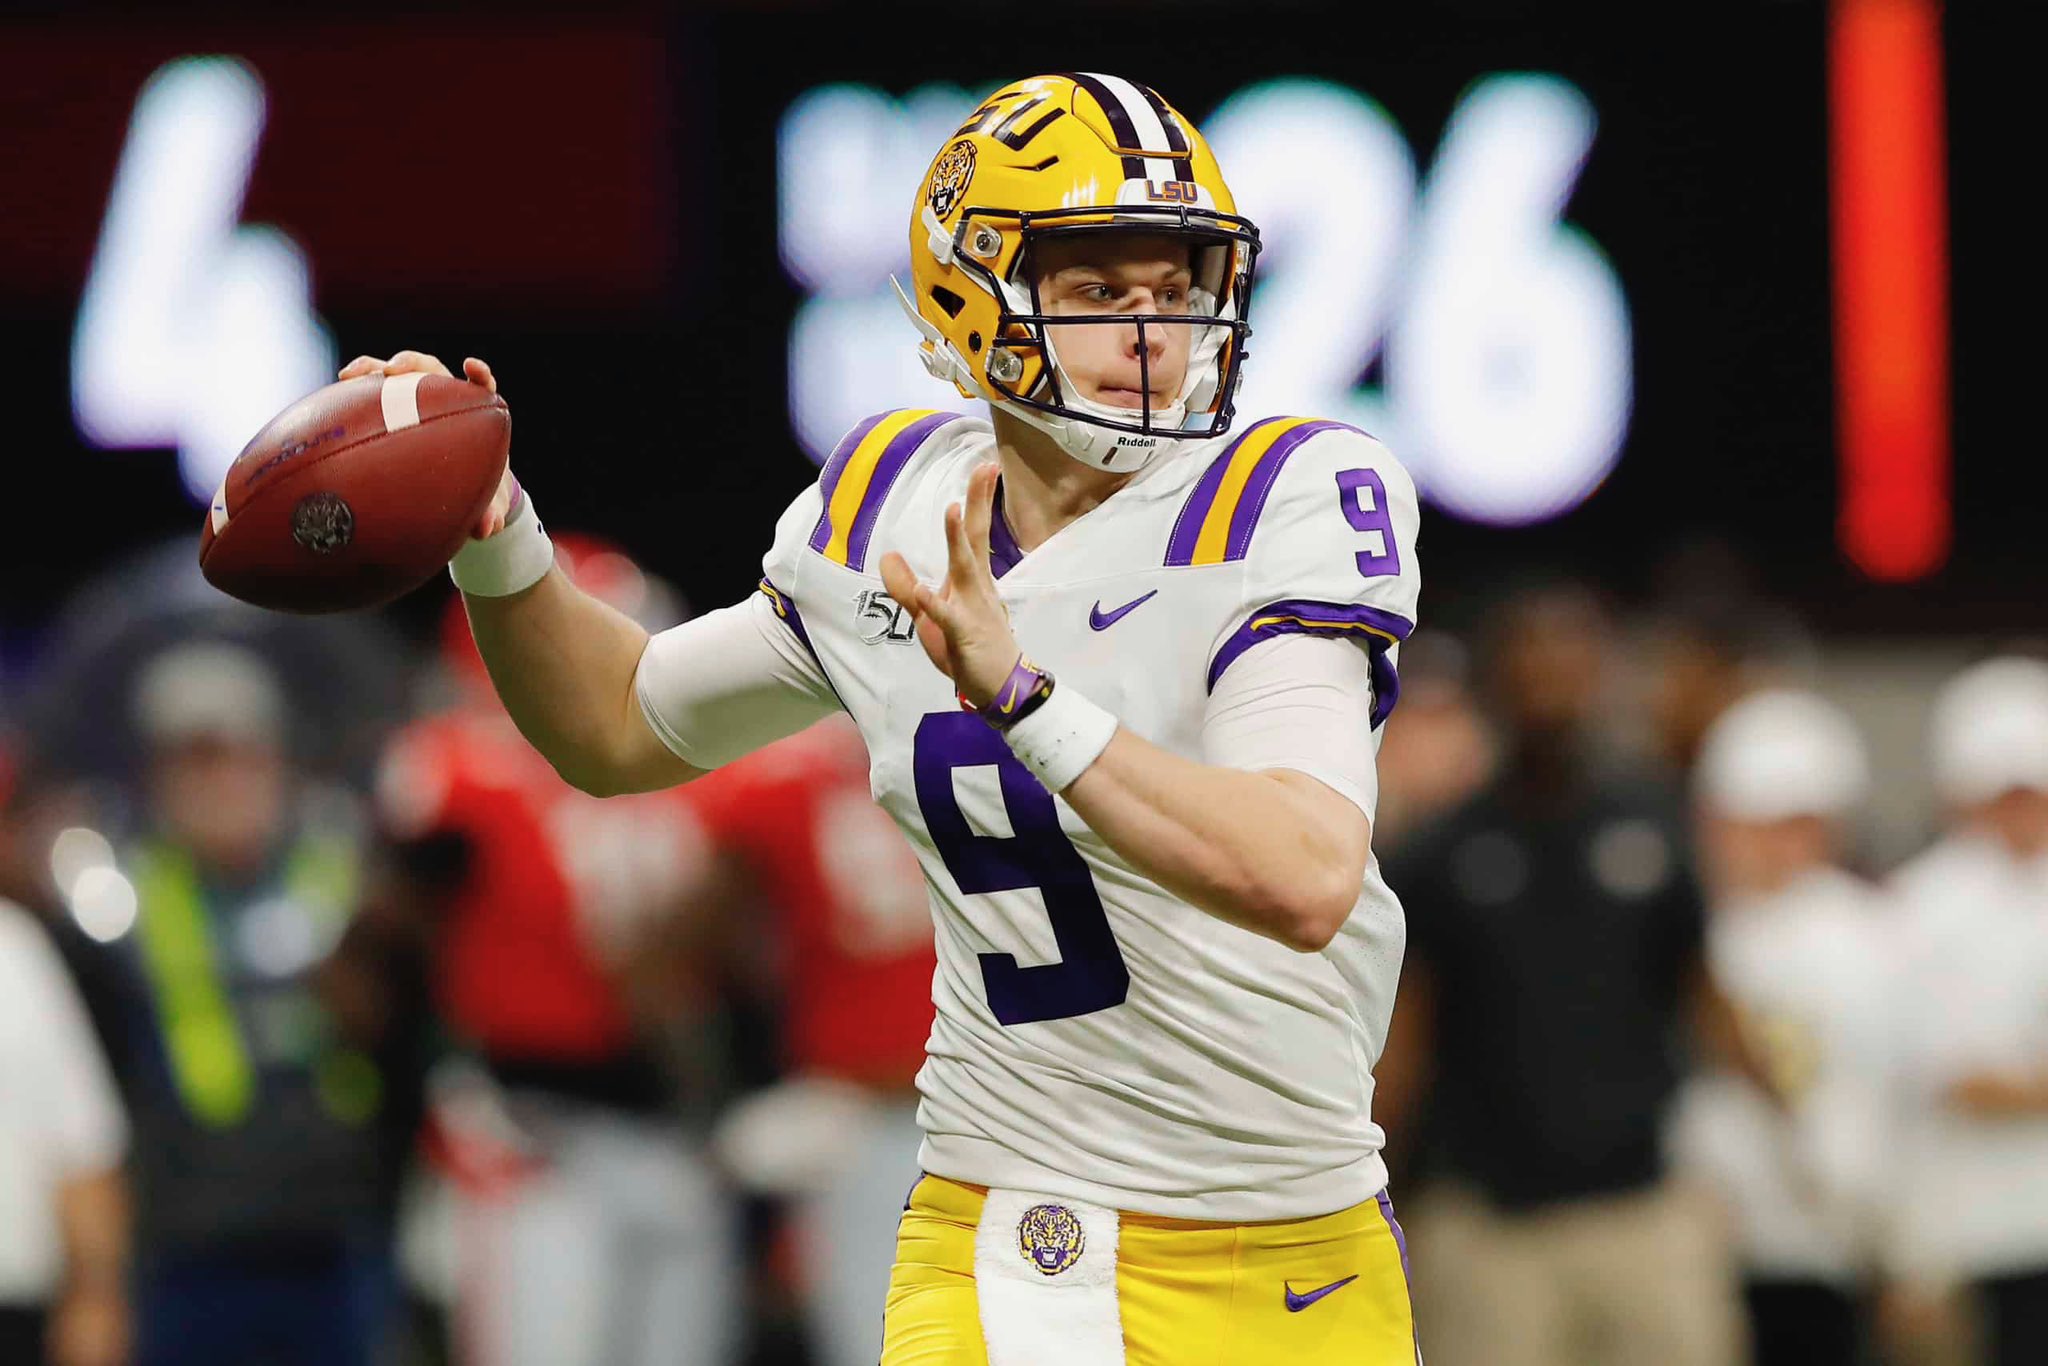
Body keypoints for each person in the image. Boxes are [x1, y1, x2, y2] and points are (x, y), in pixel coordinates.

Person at [341, 70, 1423, 1363]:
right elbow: (618, 727)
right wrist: (498, 535)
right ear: (970, 299)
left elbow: (1303, 871)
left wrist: (1020, 693)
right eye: (1095, 289)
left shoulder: (1286, 492)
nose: (1153, 331)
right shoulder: (889, 504)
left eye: (1179, 284)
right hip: (1001, 1215)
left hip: (1279, 1233)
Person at [364, 539, 742, 1366]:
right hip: (531, 1131)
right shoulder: (461, 764)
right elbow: (392, 914)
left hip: (675, 1131)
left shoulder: (707, 782)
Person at [1380, 582, 1744, 1366]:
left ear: (1603, 674)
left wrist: (1802, 1132)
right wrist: (1378, 1191)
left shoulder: (1655, 819)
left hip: (1642, 1209)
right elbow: (1405, 1037)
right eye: (1529, 660)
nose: (1549, 678)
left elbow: (1707, 996)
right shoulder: (1437, 852)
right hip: (1487, 1224)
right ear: (1493, 682)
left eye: (1568, 659)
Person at [114, 640, 403, 1366]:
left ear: (278, 761)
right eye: (195, 761)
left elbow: (405, 1029)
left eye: (238, 755)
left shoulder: (350, 872)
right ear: (158, 778)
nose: (221, 783)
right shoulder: (115, 901)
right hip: (186, 1250)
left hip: (336, 1236)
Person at [1672, 688, 1895, 1366]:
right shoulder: (1689, 926)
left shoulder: (1870, 935)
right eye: (1748, 822)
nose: (1770, 844)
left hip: (1828, 1246)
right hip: (1705, 1243)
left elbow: (1875, 1092)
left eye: (1793, 822)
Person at [1887, 656, 2048, 1366]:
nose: (2022, 811)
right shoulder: (1920, 906)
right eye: (2004, 792)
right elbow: (1953, 1077)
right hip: (1968, 1232)